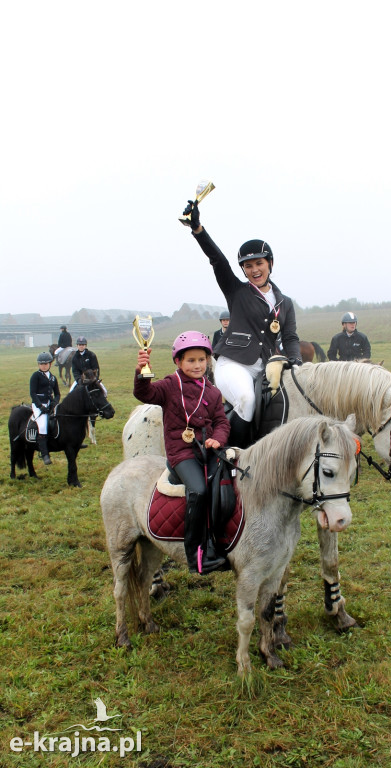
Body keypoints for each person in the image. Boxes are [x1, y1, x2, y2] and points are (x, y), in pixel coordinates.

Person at [181, 198, 301, 448]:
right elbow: (218, 261)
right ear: (244, 270)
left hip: (269, 366)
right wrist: (198, 230)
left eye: (259, 263)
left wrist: (297, 363)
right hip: (234, 363)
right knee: (246, 399)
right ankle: (231, 455)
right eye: (248, 266)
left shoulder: (285, 302)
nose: (255, 270)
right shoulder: (236, 291)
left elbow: (289, 337)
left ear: (270, 263)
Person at [134, 331, 231, 574]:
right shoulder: (169, 386)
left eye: (201, 360)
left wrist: (218, 440)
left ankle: (220, 541)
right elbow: (144, 394)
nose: (197, 365)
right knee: (198, 491)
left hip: (207, 450)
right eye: (191, 360)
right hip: (182, 453)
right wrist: (142, 371)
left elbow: (221, 422)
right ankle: (194, 553)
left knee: (228, 484)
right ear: (178, 361)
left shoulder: (213, 392)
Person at [30, 351, 61, 465]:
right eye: (41, 364)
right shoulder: (35, 376)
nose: (44, 366)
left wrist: (54, 403)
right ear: (39, 365)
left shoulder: (53, 378)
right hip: (38, 404)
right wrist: (40, 407)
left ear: (50, 364)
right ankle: (44, 455)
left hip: (50, 404)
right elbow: (32, 393)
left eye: (46, 363)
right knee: (42, 426)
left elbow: (57, 393)